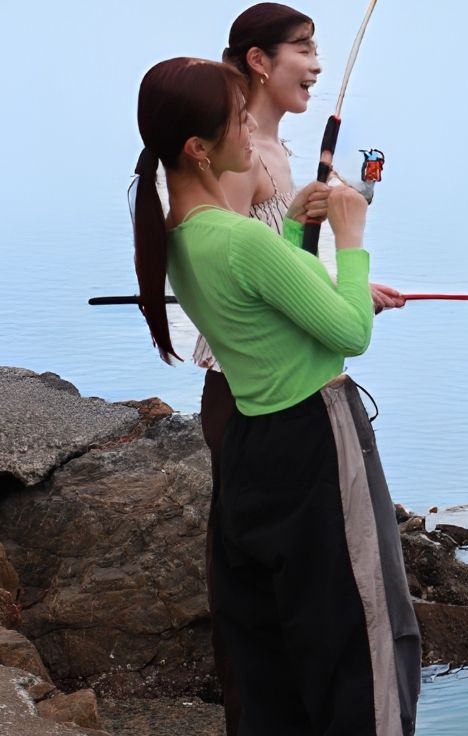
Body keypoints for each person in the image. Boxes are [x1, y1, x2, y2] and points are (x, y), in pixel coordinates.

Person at [132, 57, 420, 736]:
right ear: (200, 150)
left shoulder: (179, 237)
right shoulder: (235, 240)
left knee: (276, 647)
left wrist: (293, 230)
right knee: (364, 638)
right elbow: (349, 331)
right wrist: (352, 240)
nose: (249, 130)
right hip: (318, 439)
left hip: (255, 446)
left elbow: (262, 314)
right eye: (236, 119)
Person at [196, 2, 405, 732]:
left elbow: (275, 278)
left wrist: (334, 278)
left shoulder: (266, 157)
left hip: (275, 385)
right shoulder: (233, 156)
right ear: (259, 60)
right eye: (302, 49)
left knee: (292, 606)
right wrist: (346, 266)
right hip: (263, 395)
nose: (316, 64)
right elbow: (238, 287)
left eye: (319, 49)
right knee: (318, 614)